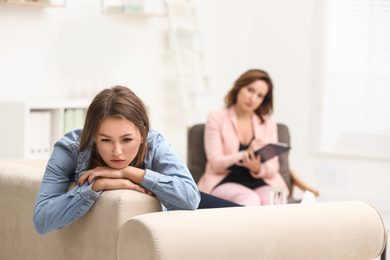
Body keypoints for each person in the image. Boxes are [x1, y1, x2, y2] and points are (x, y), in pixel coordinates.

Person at [33, 86, 200, 235]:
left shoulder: (154, 143)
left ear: (142, 134)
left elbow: (191, 199)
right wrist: (95, 186)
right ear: (93, 135)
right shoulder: (70, 148)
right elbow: (42, 220)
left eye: (126, 140)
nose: (117, 152)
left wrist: (127, 172)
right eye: (105, 140)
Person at [197, 69, 289, 206]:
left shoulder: (268, 122)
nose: (253, 99)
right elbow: (215, 163)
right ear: (239, 87)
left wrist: (257, 167)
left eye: (260, 95)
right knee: (250, 199)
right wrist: (245, 155)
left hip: (260, 180)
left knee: (277, 199)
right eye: (250, 90)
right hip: (225, 180)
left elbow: (273, 166)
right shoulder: (216, 118)